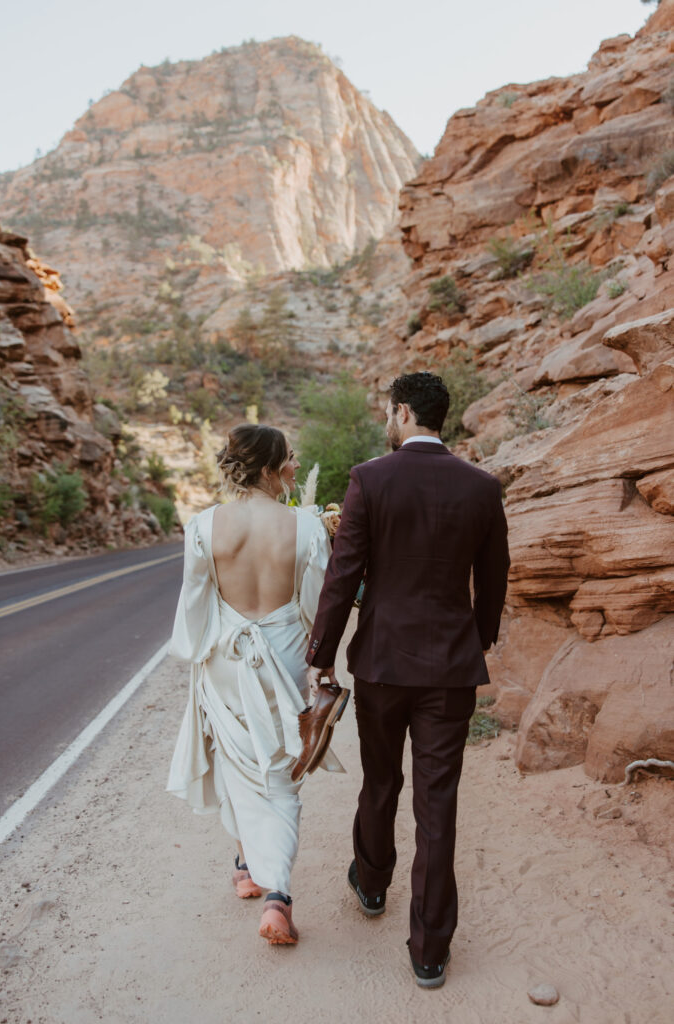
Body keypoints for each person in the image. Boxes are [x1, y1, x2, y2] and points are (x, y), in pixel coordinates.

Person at [305, 371, 510, 987]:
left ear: (401, 413)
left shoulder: (371, 478)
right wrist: (477, 640)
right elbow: (494, 576)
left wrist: (323, 651)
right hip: (450, 667)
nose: (385, 423)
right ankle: (429, 950)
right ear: (439, 417)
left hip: (383, 666)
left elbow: (344, 574)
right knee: (437, 804)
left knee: (380, 780)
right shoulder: (482, 486)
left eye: (387, 414)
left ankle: (371, 885)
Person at [167, 424, 343, 946]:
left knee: (236, 759)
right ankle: (277, 898)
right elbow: (316, 607)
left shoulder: (202, 526)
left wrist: (200, 652)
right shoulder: (307, 528)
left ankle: (246, 864)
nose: (295, 467)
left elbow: (194, 604)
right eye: (290, 460)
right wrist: (320, 661)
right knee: (279, 773)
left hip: (225, 657)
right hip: (284, 656)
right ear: (268, 468)